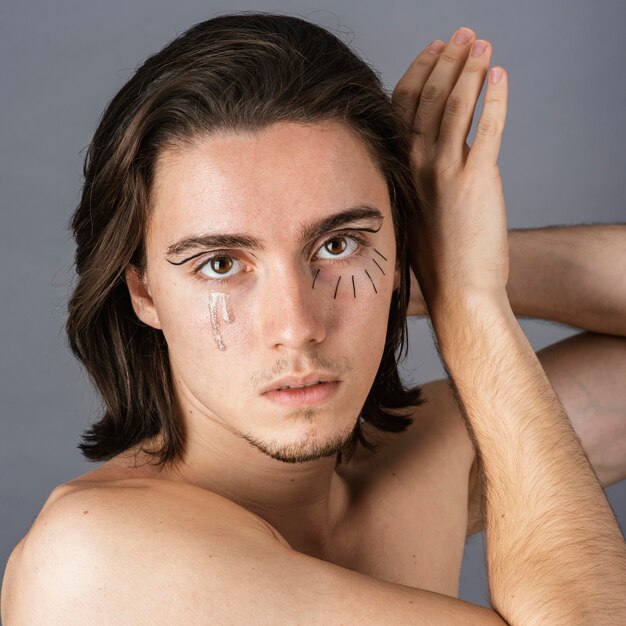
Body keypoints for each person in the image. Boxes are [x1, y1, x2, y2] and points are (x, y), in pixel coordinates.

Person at [2, 12, 625, 624]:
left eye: (337, 245)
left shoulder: (428, 459)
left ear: (403, 249)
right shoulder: (96, 560)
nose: (297, 324)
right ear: (143, 292)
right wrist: (465, 301)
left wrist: (460, 273)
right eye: (221, 264)